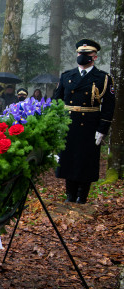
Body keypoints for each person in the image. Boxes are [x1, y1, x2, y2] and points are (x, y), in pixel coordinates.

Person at [54, 39, 115, 204]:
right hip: (69, 124)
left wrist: (102, 129)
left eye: (86, 54)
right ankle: (70, 195)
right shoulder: (67, 76)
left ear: (94, 57)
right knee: (69, 160)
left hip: (90, 125)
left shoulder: (103, 78)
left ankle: (82, 197)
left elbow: (109, 106)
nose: (82, 56)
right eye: (80, 53)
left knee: (85, 161)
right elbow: (56, 101)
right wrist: (56, 123)